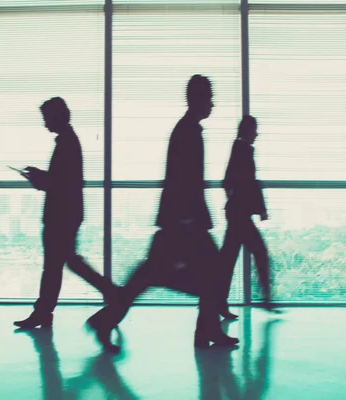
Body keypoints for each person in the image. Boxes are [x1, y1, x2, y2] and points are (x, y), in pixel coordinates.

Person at [85, 75, 239, 352]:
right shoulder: (187, 132)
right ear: (197, 99)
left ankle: (107, 320)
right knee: (206, 272)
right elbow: (183, 179)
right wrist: (188, 219)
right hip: (185, 221)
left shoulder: (187, 130)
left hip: (181, 220)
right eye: (210, 98)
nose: (213, 104)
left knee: (151, 276)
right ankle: (206, 332)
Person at [14, 97, 120, 329]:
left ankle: (45, 311)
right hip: (67, 213)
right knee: (63, 263)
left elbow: (61, 183)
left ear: (56, 117)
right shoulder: (68, 142)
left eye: (46, 119)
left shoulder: (67, 144)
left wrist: (39, 179)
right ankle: (45, 311)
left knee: (56, 265)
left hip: (60, 215)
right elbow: (64, 179)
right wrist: (41, 175)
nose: (45, 124)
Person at [219, 115, 278, 319]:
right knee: (258, 252)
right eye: (255, 129)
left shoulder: (240, 148)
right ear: (247, 130)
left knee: (227, 260)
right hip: (240, 216)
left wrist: (235, 202)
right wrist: (256, 208)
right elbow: (248, 183)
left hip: (238, 214)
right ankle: (266, 299)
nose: (257, 133)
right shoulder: (242, 149)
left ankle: (219, 303)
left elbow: (229, 182)